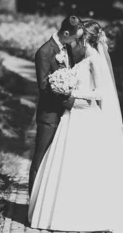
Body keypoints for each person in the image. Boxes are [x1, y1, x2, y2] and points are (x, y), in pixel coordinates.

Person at [28, 20, 123, 233]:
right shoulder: (81, 58)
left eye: (78, 39)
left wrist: (76, 96)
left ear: (83, 39)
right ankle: (62, 209)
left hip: (83, 112)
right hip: (72, 115)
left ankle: (81, 213)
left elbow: (102, 93)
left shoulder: (94, 60)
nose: (74, 43)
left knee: (83, 164)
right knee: (68, 163)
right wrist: (65, 87)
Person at [29, 15, 84, 196]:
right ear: (66, 33)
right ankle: (32, 204)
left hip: (65, 116)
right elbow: (44, 88)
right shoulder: (44, 52)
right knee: (41, 159)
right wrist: (71, 102)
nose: (76, 41)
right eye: (75, 37)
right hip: (49, 115)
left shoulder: (67, 48)